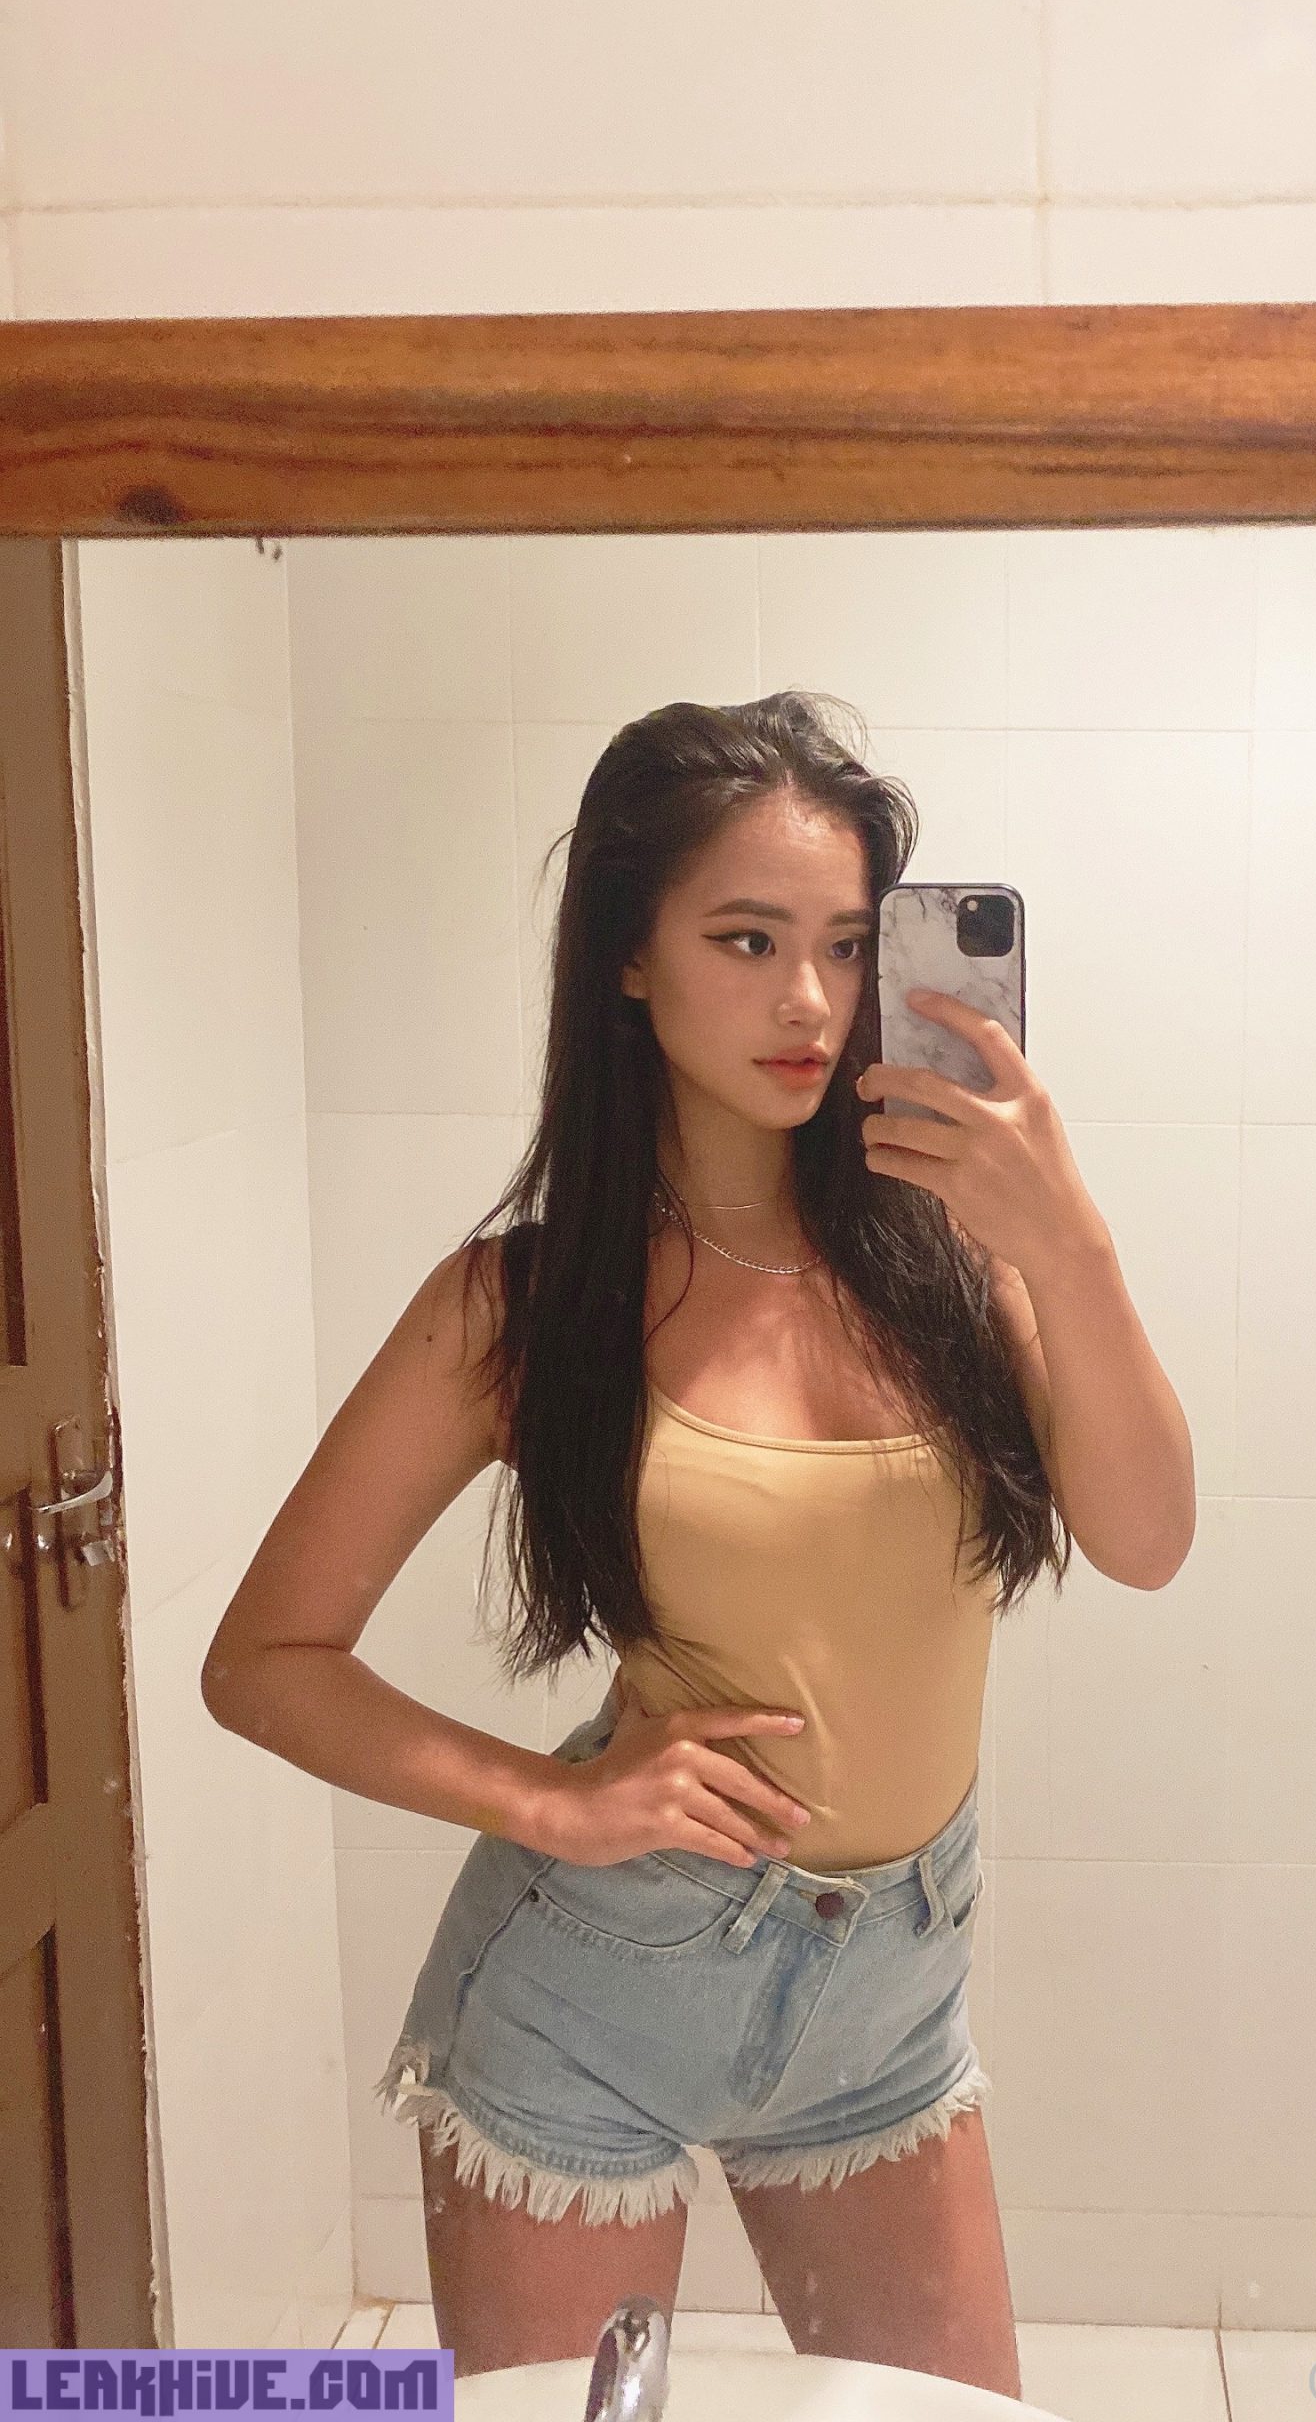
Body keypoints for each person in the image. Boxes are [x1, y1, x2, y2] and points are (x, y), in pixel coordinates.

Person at [203, 692, 1195, 2388]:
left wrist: (1070, 1245)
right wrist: (547, 1800)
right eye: (747, 941)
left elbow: (1149, 1538)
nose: (808, 1001)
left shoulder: (962, 1260)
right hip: (604, 1988)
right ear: (629, 956)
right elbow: (263, 1661)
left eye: (841, 945)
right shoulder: (519, 1306)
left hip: (890, 1996)